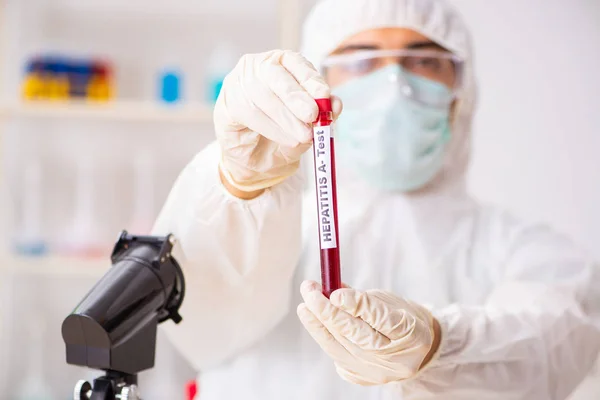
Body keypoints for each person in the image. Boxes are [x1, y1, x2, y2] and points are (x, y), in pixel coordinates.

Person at [152, 0, 600, 398]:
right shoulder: (272, 224)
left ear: (459, 90)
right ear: (318, 81)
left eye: (423, 60)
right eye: (361, 60)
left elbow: (556, 343)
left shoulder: (523, 251)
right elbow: (197, 323)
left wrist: (441, 345)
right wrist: (240, 188)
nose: (394, 85)